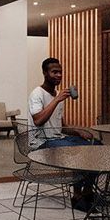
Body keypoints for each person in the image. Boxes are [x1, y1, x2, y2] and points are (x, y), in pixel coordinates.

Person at [28, 57, 95, 210]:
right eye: (54, 72)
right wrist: (57, 100)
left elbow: (61, 127)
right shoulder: (37, 94)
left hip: (58, 138)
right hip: (41, 143)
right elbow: (38, 120)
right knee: (79, 152)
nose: (58, 75)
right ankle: (77, 196)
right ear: (45, 73)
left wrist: (78, 131)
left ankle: (88, 193)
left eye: (60, 72)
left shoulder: (57, 95)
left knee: (97, 147)